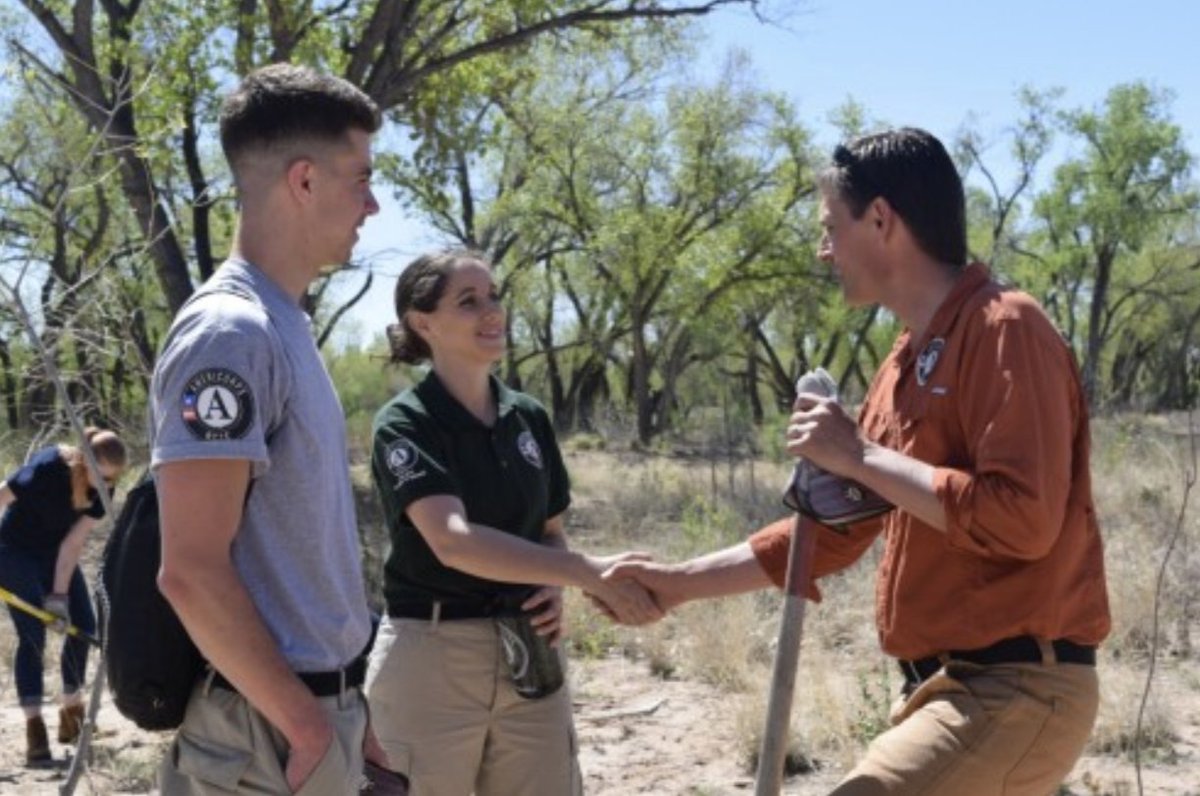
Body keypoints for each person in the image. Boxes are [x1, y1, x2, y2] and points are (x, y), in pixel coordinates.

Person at [605, 128, 1112, 795]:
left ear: (881, 219)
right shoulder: (902, 363)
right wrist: (676, 582)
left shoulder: (1004, 327)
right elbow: (834, 530)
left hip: (1016, 689)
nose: (823, 251)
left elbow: (1024, 519)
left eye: (829, 227)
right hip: (941, 693)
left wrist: (859, 453)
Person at [150, 63, 387, 794]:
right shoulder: (231, 332)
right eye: (361, 178)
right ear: (305, 181)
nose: (373, 204)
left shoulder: (282, 324)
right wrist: (307, 724)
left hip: (311, 714)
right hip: (264, 740)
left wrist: (349, 704)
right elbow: (190, 570)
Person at [365, 248, 662, 795]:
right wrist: (585, 572)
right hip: (432, 657)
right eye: (469, 301)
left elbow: (550, 527)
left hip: (530, 650)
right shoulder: (405, 424)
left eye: (494, 296)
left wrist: (553, 578)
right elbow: (452, 542)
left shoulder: (528, 416)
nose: (492, 311)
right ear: (422, 322)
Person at [0, 427, 127, 766]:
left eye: (112, 479)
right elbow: (1, 496)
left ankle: (72, 717)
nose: (106, 484)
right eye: (101, 476)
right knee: (33, 636)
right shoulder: (48, 466)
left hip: (55, 555)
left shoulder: (103, 488)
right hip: (14, 552)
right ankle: (34, 730)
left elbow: (72, 544)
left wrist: (59, 596)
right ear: (84, 461)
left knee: (83, 625)